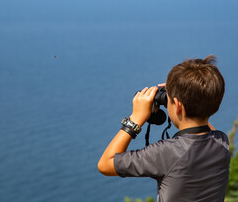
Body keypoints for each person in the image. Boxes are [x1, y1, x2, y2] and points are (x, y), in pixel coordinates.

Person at [97, 55, 230, 202]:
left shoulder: (167, 152)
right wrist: (182, 96)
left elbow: (105, 164)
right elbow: (204, 118)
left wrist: (136, 118)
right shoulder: (222, 143)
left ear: (178, 106)